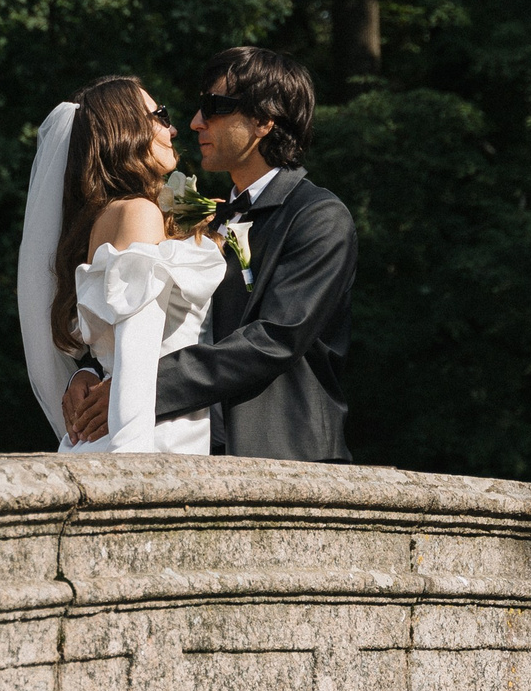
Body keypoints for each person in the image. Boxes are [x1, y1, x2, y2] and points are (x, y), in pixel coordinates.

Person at [57, 47, 357, 461]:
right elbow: (149, 320)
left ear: (263, 120)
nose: (196, 121)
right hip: (183, 444)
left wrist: (138, 386)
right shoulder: (191, 215)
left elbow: (276, 338)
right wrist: (91, 373)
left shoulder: (318, 217)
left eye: (215, 107)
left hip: (279, 453)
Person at [16, 76, 227, 452]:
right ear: (124, 128)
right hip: (148, 442)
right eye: (159, 116)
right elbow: (136, 350)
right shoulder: (138, 214)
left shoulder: (112, 215)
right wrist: (132, 467)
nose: (173, 128)